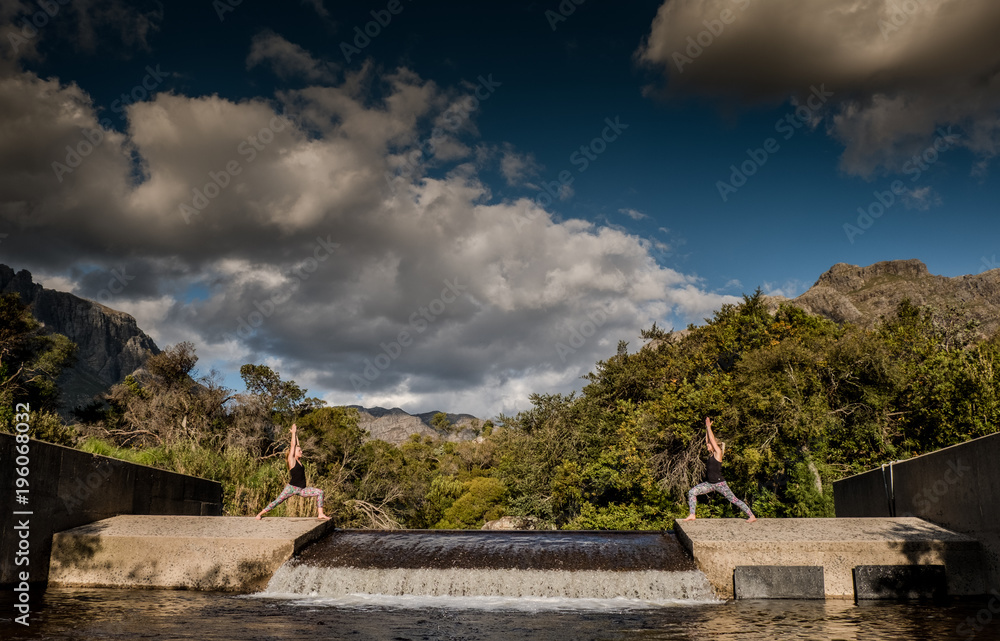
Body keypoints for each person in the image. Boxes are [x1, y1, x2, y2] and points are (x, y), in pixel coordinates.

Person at [682, 417, 756, 522]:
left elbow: (711, 440)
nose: (707, 445)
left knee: (734, 500)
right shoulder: (711, 454)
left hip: (720, 484)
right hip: (709, 484)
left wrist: (708, 427)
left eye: (709, 445)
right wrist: (707, 428)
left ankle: (751, 516)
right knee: (692, 492)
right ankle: (692, 514)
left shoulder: (718, 453)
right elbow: (708, 440)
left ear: (714, 445)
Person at [256, 423, 330, 520]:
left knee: (320, 492)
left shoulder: (299, 461)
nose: (301, 452)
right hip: (292, 488)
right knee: (278, 501)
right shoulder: (292, 460)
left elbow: (297, 445)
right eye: (300, 451)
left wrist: (296, 434)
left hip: (302, 490)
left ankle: (320, 514)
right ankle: (260, 514)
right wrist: (293, 434)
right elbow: (293, 445)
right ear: (294, 452)